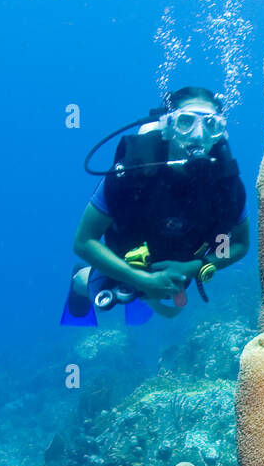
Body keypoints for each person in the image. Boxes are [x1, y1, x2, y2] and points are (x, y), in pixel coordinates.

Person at [63, 86, 249, 325]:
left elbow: (241, 243)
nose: (198, 136)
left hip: (185, 264)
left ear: (220, 133)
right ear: (169, 127)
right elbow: (84, 241)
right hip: (126, 259)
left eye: (211, 125)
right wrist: (140, 279)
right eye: (186, 122)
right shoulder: (131, 171)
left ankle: (149, 293)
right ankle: (80, 278)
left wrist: (196, 267)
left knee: (167, 307)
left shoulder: (227, 184)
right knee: (107, 293)